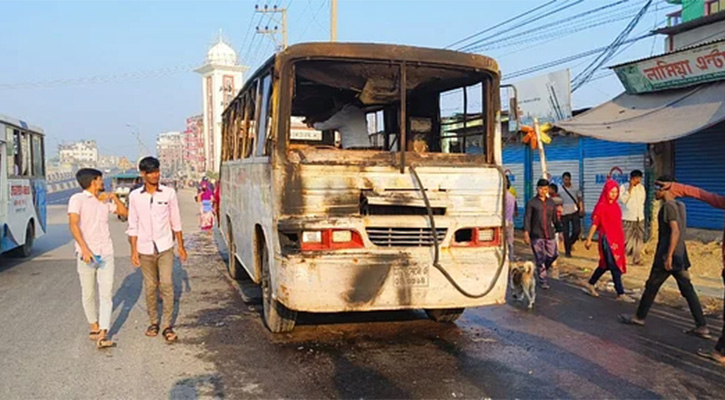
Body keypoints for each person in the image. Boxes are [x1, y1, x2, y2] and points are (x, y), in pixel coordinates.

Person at [619, 176, 710, 339]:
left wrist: (668, 256)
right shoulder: (680, 205)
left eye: (658, 188)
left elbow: (675, 231)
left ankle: (639, 317)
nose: (655, 192)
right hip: (680, 254)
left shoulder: (668, 207)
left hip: (667, 255)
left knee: (652, 286)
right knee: (687, 289)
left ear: (666, 189)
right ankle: (701, 325)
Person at [656, 178, 725, 365]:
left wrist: (677, 188)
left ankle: (720, 351)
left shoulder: (671, 207)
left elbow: (707, 197)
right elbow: (707, 196)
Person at [127, 156, 188, 343]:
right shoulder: (135, 196)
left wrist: (181, 247)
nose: (156, 175)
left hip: (165, 247)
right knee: (151, 286)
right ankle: (154, 321)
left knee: (167, 284)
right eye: (151, 172)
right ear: (143, 174)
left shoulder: (168, 194)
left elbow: (175, 220)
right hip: (145, 249)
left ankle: (167, 325)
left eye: (157, 171)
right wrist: (134, 250)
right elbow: (133, 224)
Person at [68, 168, 128, 349]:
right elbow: (73, 224)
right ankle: (94, 325)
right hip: (87, 254)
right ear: (94, 181)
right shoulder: (77, 199)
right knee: (88, 293)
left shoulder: (103, 201)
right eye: (101, 180)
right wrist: (84, 249)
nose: (103, 183)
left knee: (106, 294)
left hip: (106, 252)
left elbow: (124, 213)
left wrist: (113, 197)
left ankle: (104, 331)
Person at [582, 179, 635, 303]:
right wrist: (589, 239)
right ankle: (620, 293)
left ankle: (590, 284)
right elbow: (595, 224)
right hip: (607, 240)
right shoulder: (601, 206)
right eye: (611, 192)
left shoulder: (616, 206)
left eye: (616, 192)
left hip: (617, 239)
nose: (614, 194)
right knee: (614, 266)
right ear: (606, 192)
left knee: (604, 265)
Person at [524, 178, 559, 289]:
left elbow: (555, 219)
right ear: (537, 189)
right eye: (540, 189)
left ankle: (542, 267)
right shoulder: (532, 203)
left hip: (549, 234)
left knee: (553, 255)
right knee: (539, 257)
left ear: (547, 189)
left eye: (545, 189)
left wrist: (560, 231)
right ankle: (542, 279)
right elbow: (527, 218)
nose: (542, 191)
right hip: (536, 234)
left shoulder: (551, 203)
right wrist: (526, 233)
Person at [620, 170, 646, 265]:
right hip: (628, 217)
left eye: (639, 179)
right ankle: (622, 257)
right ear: (631, 178)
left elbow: (642, 201)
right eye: (635, 179)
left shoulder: (641, 188)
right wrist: (630, 189)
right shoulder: (623, 187)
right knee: (626, 239)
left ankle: (636, 258)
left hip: (639, 217)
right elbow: (623, 200)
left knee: (639, 238)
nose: (637, 181)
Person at [560, 172, 584, 257]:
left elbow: (580, 199)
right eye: (565, 179)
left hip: (574, 211)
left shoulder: (576, 188)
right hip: (564, 213)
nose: (566, 181)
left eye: (568, 179)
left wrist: (581, 208)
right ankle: (567, 251)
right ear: (562, 179)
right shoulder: (560, 189)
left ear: (570, 179)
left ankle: (570, 243)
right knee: (565, 232)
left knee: (577, 231)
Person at [505, 176, 518, 261]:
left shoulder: (502, 197)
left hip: (502, 222)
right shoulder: (511, 196)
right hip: (510, 221)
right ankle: (510, 260)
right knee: (510, 243)